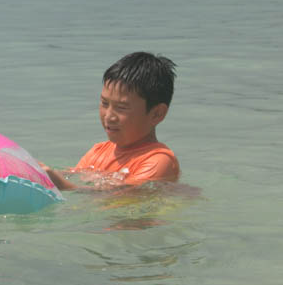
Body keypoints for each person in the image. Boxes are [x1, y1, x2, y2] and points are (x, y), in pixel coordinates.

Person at [43, 52, 180, 190]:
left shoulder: (160, 160)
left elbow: (123, 196)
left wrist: (64, 186)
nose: (109, 116)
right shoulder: (97, 152)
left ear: (157, 114)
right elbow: (70, 176)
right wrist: (38, 172)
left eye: (121, 108)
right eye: (104, 103)